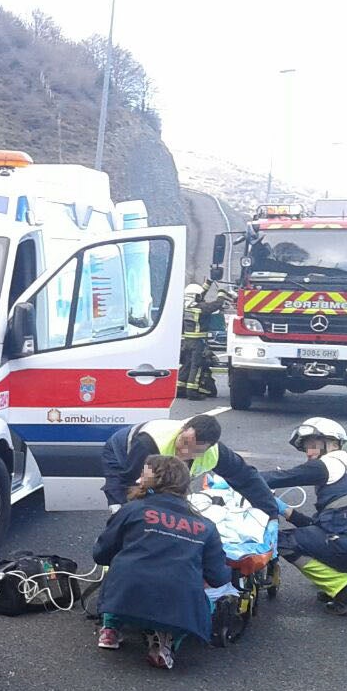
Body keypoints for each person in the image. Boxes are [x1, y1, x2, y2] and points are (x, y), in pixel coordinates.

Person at [92, 455, 229, 669]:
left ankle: (110, 627)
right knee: (205, 602)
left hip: (125, 596)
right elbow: (219, 577)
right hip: (178, 602)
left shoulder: (132, 510)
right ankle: (166, 641)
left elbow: (101, 554)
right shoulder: (207, 526)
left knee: (121, 570)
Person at [264, 417, 347, 615]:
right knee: (312, 537)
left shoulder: (330, 463)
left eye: (313, 445)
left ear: (333, 443)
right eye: (306, 448)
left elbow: (280, 477)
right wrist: (284, 509)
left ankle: (346, 590)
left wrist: (236, 478)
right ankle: (345, 582)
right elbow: (318, 528)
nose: (309, 453)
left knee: (279, 540)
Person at [102, 414, 276, 517]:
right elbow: (127, 482)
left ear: (209, 447)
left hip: (152, 464)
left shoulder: (216, 452)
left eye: (194, 451)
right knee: (124, 509)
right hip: (122, 453)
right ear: (183, 428)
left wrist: (270, 512)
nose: (184, 453)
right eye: (184, 442)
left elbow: (246, 478)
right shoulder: (149, 444)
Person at [177, 281, 226, 400]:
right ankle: (192, 392)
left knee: (186, 365)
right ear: (195, 296)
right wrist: (221, 292)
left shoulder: (186, 308)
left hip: (186, 341)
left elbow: (198, 296)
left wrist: (207, 284)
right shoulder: (201, 308)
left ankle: (180, 388)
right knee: (196, 366)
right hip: (198, 342)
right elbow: (216, 304)